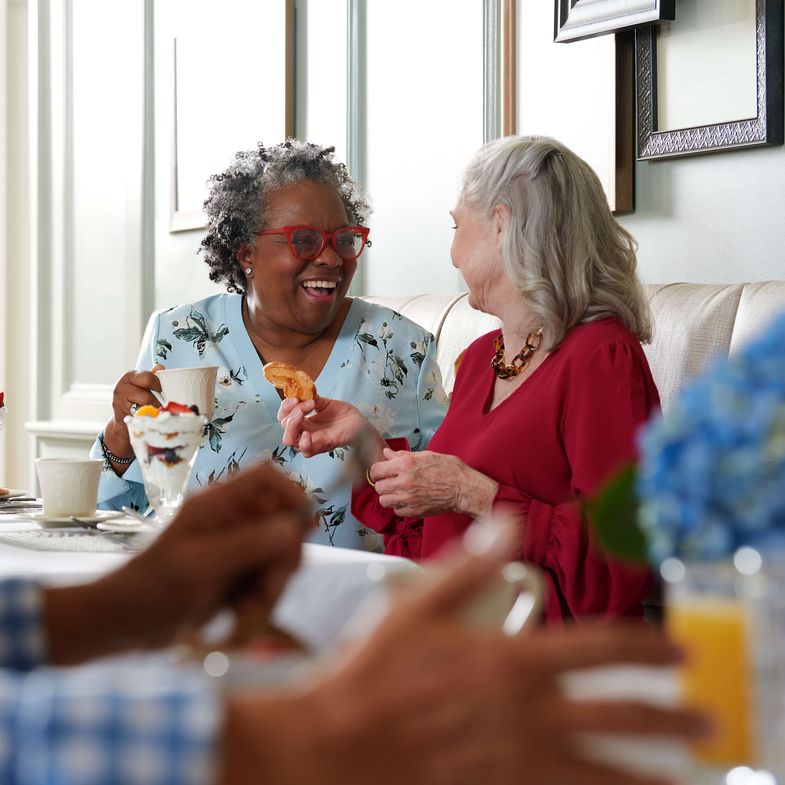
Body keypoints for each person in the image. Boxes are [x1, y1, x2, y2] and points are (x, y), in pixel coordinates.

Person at [0, 462, 708, 785]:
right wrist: (305, 736)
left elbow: (620, 554)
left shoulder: (598, 354)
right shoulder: (480, 360)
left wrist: (108, 607)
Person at [279, 136, 660, 622]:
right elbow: (435, 546)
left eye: (457, 226)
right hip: (454, 638)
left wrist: (472, 493)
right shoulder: (483, 357)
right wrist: (364, 444)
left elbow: (619, 566)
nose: (453, 255)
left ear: (501, 226)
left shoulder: (601, 357)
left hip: (542, 653)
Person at [92, 140, 448, 550]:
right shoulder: (177, 335)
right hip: (204, 585)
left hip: (355, 589)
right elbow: (115, 516)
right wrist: (120, 435)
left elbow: (445, 513)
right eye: (305, 240)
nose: (331, 259)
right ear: (246, 253)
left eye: (343, 239)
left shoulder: (402, 348)